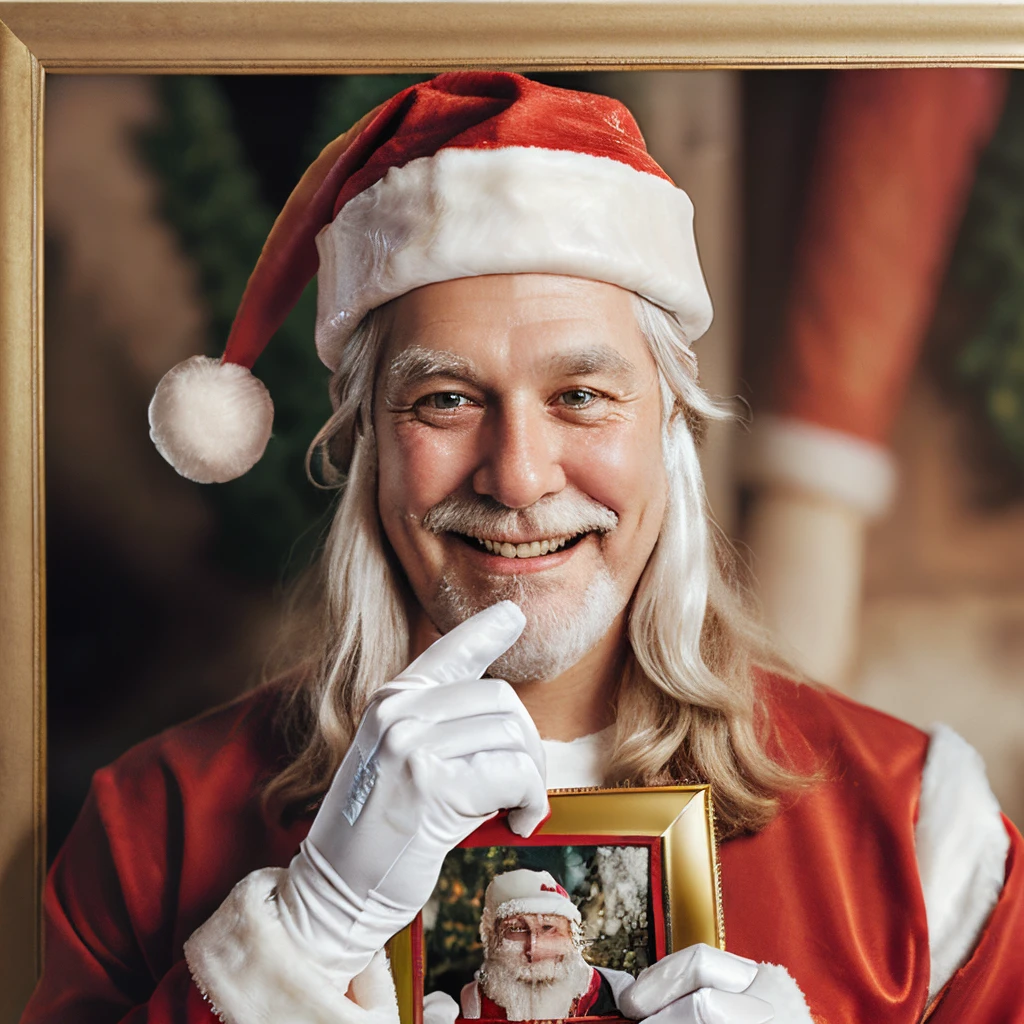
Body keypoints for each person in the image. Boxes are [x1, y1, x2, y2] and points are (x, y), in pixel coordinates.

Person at [22, 72, 1024, 1024]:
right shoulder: (151, 825)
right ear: (367, 439)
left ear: (671, 428)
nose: (518, 475)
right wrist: (301, 938)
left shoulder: (924, 837)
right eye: (446, 399)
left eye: (580, 396)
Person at [445, 868, 630, 1021]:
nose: (535, 950)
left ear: (572, 934)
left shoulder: (617, 992)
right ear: (493, 938)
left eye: (548, 927)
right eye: (516, 929)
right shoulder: (466, 1002)